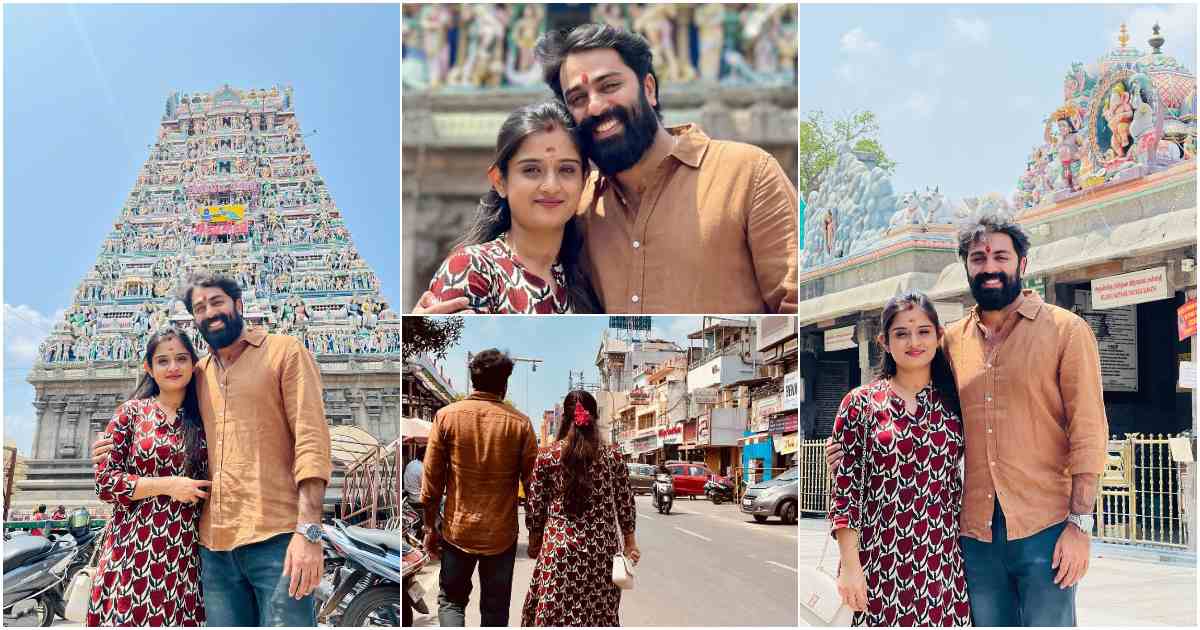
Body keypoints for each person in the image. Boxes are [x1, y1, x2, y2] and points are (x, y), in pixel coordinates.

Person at [828, 216, 1108, 626]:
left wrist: (1080, 525)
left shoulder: (1065, 331)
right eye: (978, 258)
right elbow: (913, 412)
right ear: (966, 267)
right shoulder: (951, 342)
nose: (989, 266)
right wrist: (852, 453)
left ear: (1022, 264)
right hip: (972, 538)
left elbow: (1089, 431)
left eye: (1000, 256)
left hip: (1044, 528)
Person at [416, 23, 797, 315]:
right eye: (578, 98)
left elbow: (797, 308)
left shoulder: (746, 175)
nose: (596, 107)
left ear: (649, 88)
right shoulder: (576, 207)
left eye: (610, 85)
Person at [93, 272, 332, 627]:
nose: (209, 312)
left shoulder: (285, 352)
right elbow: (158, 415)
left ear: (238, 304)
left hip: (277, 538)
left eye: (216, 302)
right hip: (210, 545)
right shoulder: (198, 374)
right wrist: (111, 440)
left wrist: (310, 532)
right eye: (199, 308)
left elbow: (312, 441)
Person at [828, 292, 970, 626]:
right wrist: (850, 566)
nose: (913, 342)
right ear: (885, 342)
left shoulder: (957, 404)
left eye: (923, 331)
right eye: (902, 333)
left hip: (943, 564)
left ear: (938, 336)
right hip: (878, 564)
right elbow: (845, 492)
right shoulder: (860, 404)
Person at [426, 101, 600, 313]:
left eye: (566, 170)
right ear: (500, 181)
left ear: (584, 180)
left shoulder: (588, 277)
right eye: (531, 170)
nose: (551, 186)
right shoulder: (473, 269)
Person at [89, 328, 210, 626]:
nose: (173, 368)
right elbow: (105, 484)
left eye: (181, 359)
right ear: (149, 367)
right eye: (163, 361)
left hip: (186, 554)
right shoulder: (131, 413)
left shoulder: (207, 420)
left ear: (194, 365)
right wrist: (169, 485)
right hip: (131, 550)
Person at [421, 349, 538, 627]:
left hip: (457, 531)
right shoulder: (520, 424)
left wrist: (429, 529)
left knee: (451, 602)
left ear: (474, 380)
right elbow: (534, 486)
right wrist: (536, 532)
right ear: (505, 384)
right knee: (495, 612)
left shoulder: (446, 417)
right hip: (501, 536)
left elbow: (431, 481)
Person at [521, 390, 639, 627]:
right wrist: (630, 543)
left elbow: (535, 506)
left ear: (564, 418)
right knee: (598, 618)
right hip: (601, 555)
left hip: (559, 552)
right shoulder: (613, 458)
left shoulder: (547, 457)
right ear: (595, 418)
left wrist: (535, 541)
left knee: (553, 617)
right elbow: (625, 503)